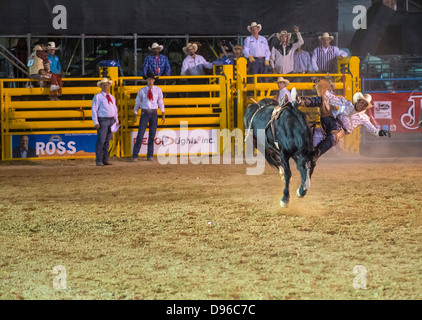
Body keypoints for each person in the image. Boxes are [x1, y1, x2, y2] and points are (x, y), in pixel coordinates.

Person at [131, 72, 165, 162]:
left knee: (152, 135)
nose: (150, 81)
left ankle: (149, 155)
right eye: (149, 79)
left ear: (154, 80)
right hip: (145, 113)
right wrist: (135, 113)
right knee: (140, 134)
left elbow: (160, 102)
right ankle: (135, 155)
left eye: (152, 80)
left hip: (153, 113)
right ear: (146, 80)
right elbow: (137, 103)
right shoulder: (142, 90)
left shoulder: (158, 90)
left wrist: (163, 112)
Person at [91, 78, 119, 166]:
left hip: (111, 120)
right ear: (101, 86)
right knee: (102, 140)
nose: (106, 86)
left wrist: (116, 120)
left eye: (107, 84)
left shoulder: (111, 97)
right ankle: (99, 160)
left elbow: (115, 109)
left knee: (107, 141)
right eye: (104, 84)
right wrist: (96, 122)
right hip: (103, 120)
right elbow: (94, 110)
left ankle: (104, 159)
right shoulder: (98, 97)